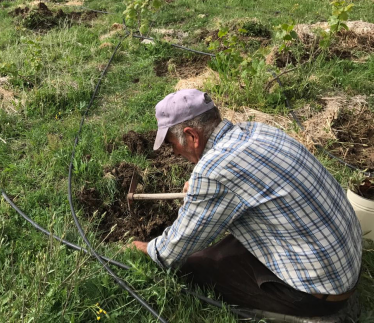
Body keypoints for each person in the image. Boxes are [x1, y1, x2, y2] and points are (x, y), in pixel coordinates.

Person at [131, 89, 362, 319]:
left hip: (318, 295)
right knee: (225, 244)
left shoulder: (213, 172)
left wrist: (147, 249)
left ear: (192, 136)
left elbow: (173, 250)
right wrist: (201, 185)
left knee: (192, 266)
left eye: (172, 143)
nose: (173, 151)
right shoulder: (256, 130)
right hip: (344, 264)